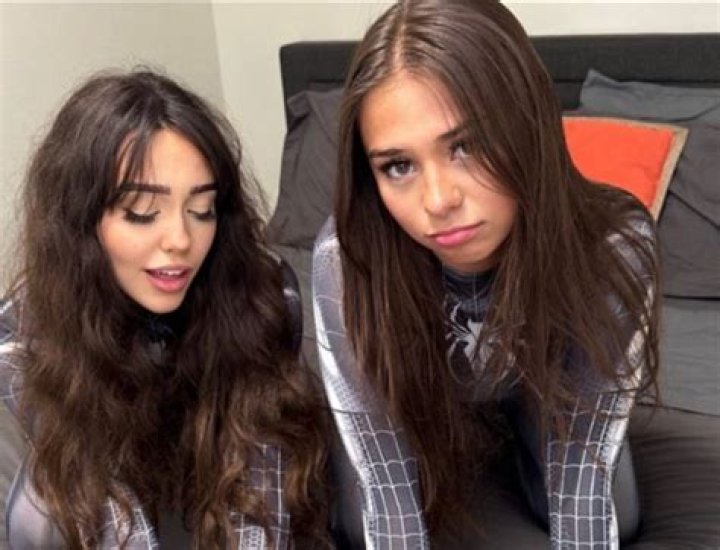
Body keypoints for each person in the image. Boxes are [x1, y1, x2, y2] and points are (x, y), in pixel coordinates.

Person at [312, 1, 660, 548]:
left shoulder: (616, 245)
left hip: (543, 381)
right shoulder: (347, 258)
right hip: (409, 390)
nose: (438, 201)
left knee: (621, 514)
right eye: (398, 166)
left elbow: (585, 495)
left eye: (466, 146)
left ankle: (517, 419)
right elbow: (387, 504)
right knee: (359, 525)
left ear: (527, 124)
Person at [0, 69, 328, 549]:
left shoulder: (262, 302)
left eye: (201, 210)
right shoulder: (17, 362)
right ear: (79, 221)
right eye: (142, 213)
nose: (180, 240)